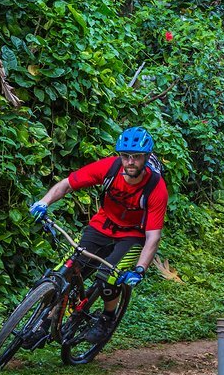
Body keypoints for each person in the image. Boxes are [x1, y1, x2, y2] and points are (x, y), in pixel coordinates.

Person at [28, 126, 168, 343]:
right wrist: (43, 202)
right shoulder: (109, 168)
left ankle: (106, 319)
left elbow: (153, 236)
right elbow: (66, 185)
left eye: (137, 157)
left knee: (107, 277)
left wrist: (140, 269)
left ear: (146, 157)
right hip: (102, 226)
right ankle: (45, 322)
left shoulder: (156, 187)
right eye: (125, 156)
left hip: (132, 236)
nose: (130, 162)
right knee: (70, 271)